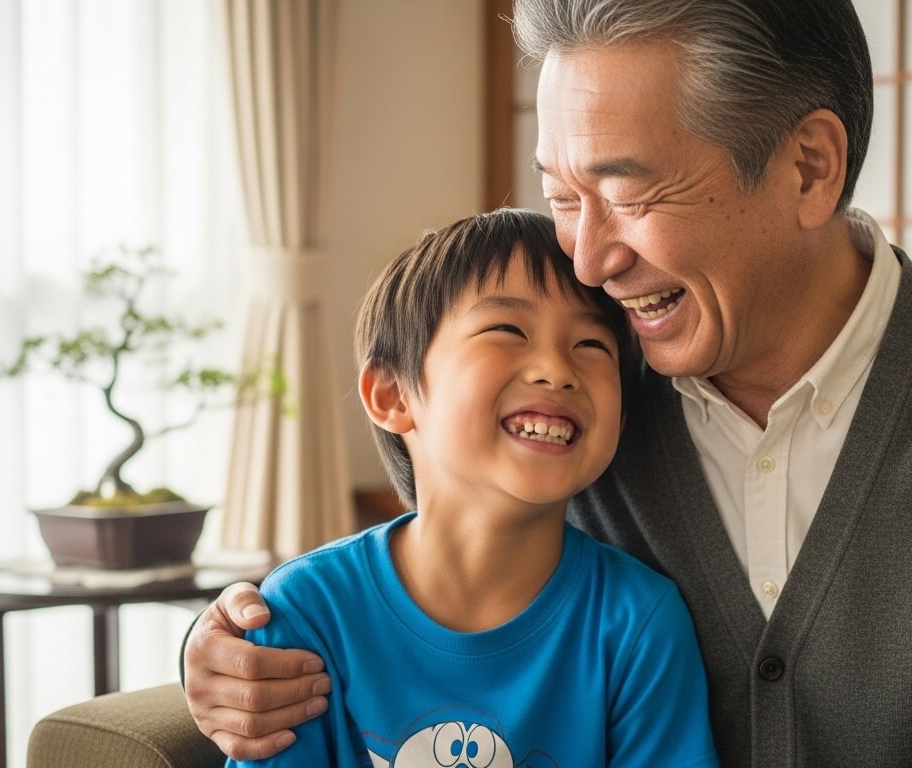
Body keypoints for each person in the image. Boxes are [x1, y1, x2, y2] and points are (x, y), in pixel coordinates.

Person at [185, 1, 912, 765]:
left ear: (807, 168)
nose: (584, 261)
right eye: (560, 199)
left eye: (625, 195)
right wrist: (232, 643)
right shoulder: (572, 400)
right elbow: (423, 595)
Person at [220, 208, 719, 767]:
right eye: (507, 331)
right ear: (392, 395)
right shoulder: (309, 610)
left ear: (622, 417)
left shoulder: (637, 621)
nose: (557, 369)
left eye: (592, 346)